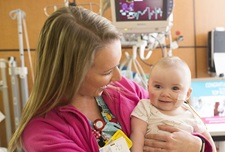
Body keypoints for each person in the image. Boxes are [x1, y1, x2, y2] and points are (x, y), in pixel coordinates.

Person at [8, 6, 212, 152]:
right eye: (106, 71)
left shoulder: (125, 90)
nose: (119, 77)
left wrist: (199, 146)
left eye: (117, 65)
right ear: (71, 72)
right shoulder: (44, 132)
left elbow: (193, 128)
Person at [130, 56, 216, 152]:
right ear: (148, 87)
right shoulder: (145, 107)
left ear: (187, 94)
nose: (165, 94)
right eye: (158, 86)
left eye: (175, 88)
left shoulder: (191, 113)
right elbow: (137, 134)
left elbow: (209, 142)